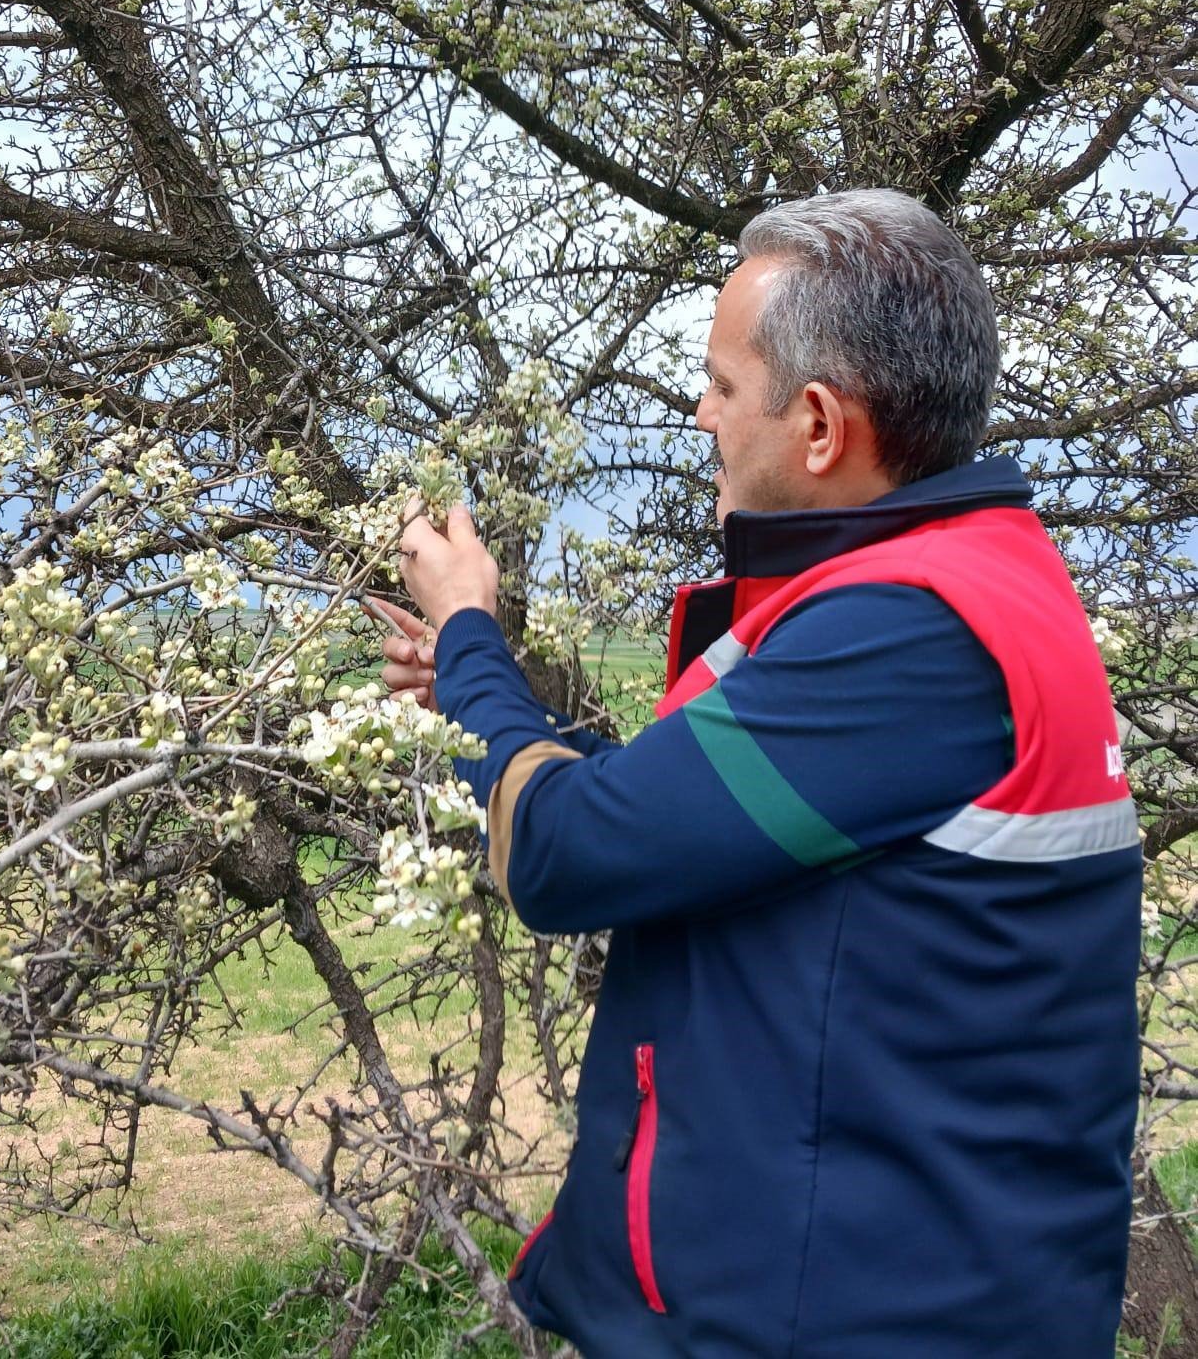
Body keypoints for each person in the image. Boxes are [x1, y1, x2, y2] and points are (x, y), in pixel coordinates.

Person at [382, 189, 1142, 1359]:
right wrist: (490, 693)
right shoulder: (975, 587)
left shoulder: (905, 633)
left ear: (823, 425)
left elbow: (571, 852)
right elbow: (672, 816)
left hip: (848, 1320)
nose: (702, 415)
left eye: (725, 386)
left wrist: (473, 638)